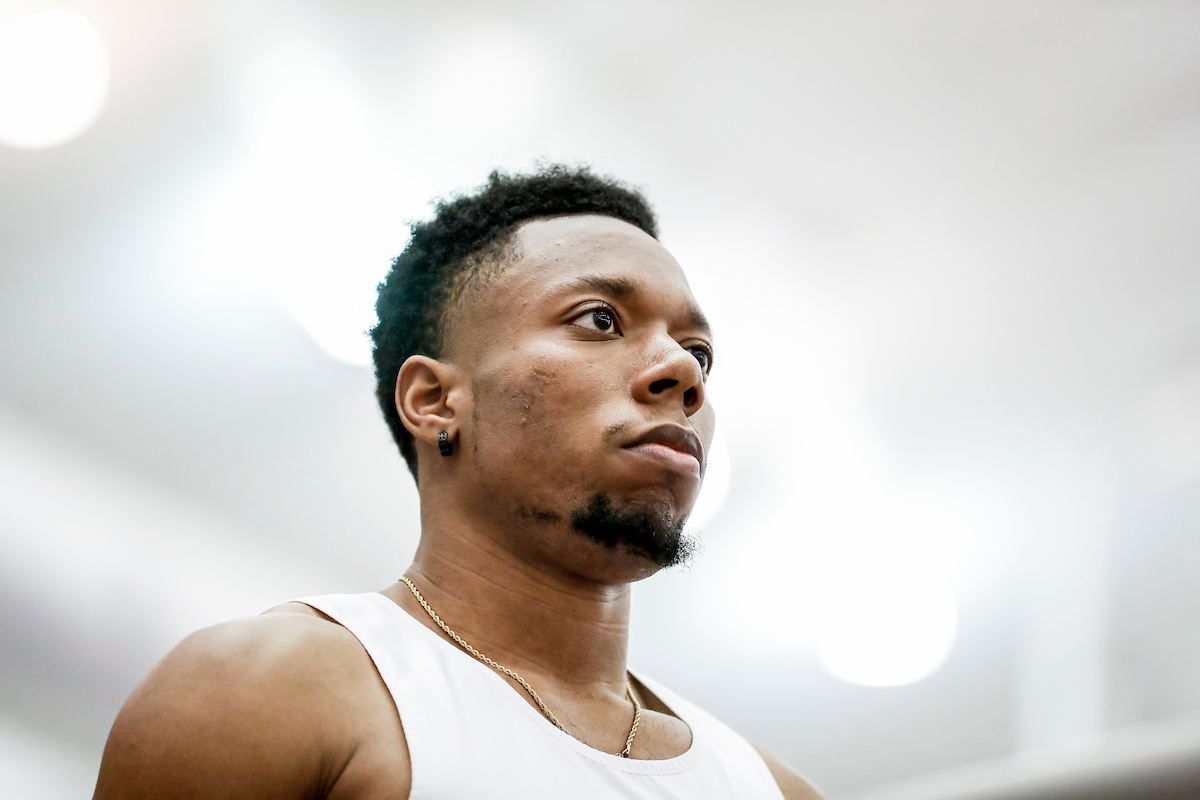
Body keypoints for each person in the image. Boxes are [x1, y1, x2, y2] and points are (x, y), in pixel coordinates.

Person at [93, 166, 823, 799]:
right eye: (600, 320)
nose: (684, 372)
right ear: (437, 401)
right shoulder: (264, 689)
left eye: (699, 351)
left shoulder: (773, 790)